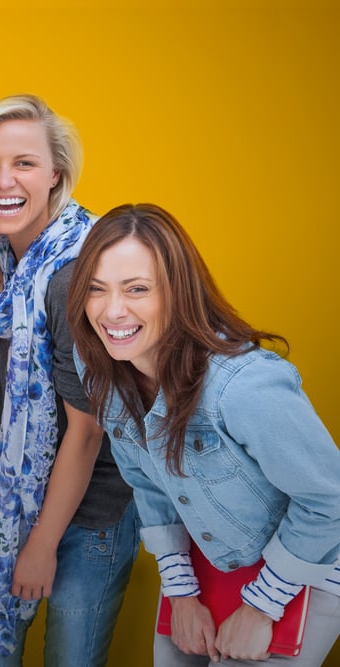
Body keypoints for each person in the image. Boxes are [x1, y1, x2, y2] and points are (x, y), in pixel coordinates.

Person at [66, 203, 340, 666]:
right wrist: (181, 594)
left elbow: (329, 500)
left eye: (137, 289)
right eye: (96, 289)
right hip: (207, 566)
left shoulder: (244, 386)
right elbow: (147, 481)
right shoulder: (101, 365)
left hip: (305, 569)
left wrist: (261, 607)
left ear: (177, 292)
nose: (112, 311)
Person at [0, 94, 139, 666]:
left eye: (24, 163)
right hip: (10, 498)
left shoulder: (75, 276)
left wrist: (40, 545)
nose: (3, 180)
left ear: (56, 174)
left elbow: (87, 432)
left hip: (92, 511)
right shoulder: (0, 257)